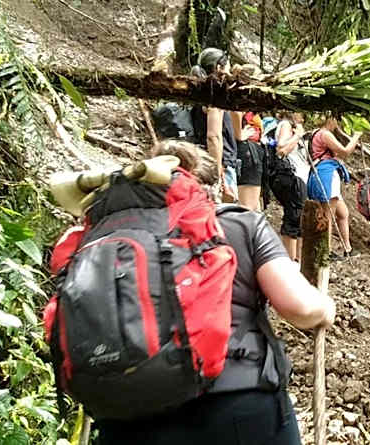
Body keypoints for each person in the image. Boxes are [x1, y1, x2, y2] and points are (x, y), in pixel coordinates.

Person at [95, 140, 336, 445]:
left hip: (126, 414)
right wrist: (326, 308)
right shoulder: (240, 223)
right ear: (219, 183)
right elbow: (299, 308)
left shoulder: (109, 236)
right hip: (236, 402)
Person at [309, 114, 362, 259]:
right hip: (327, 174)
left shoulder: (315, 133)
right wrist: (356, 137)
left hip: (323, 172)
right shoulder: (325, 134)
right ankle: (326, 250)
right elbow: (344, 152)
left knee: (343, 213)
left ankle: (347, 248)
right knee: (328, 214)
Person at [191, 47, 240, 203]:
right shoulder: (215, 93)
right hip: (220, 165)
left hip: (205, 162)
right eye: (228, 65)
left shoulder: (200, 90)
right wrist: (219, 177)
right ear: (219, 67)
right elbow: (214, 136)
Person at [268, 112, 308, 261]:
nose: (302, 118)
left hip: (297, 177)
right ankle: (290, 261)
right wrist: (297, 135)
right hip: (291, 176)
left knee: (298, 218)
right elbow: (281, 148)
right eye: (300, 113)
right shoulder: (285, 125)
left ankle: (297, 259)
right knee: (294, 216)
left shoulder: (290, 126)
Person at [236, 112, 266, 211]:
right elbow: (236, 111)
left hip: (249, 150)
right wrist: (239, 134)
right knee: (248, 208)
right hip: (248, 152)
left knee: (252, 207)